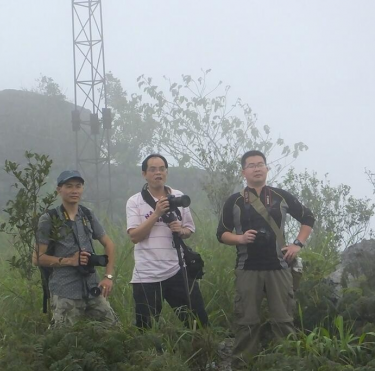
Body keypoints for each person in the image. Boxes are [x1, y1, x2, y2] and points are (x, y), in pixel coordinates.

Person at [217, 150, 315, 359]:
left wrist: (297, 244)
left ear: (267, 168)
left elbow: (308, 217)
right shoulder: (234, 201)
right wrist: (240, 238)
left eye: (260, 164)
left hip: (279, 266)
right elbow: (221, 234)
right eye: (251, 165)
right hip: (247, 268)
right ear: (244, 171)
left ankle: (287, 369)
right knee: (247, 323)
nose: (257, 168)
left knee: (284, 321)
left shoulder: (281, 196)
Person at [126, 154, 209, 329]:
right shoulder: (135, 201)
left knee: (198, 323)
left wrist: (181, 230)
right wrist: (156, 214)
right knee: (146, 329)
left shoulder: (178, 196)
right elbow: (134, 236)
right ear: (144, 174)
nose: (158, 173)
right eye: (153, 169)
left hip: (177, 270)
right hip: (146, 275)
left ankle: (204, 353)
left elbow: (189, 230)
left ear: (167, 172)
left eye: (162, 169)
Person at [34, 170, 117, 326]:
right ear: (59, 189)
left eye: (78, 186)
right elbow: (37, 258)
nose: (74, 191)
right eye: (69, 186)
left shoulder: (87, 215)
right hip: (65, 290)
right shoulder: (49, 219)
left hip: (92, 287)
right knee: (63, 340)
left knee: (111, 330)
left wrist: (108, 277)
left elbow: (109, 244)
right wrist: (70, 261)